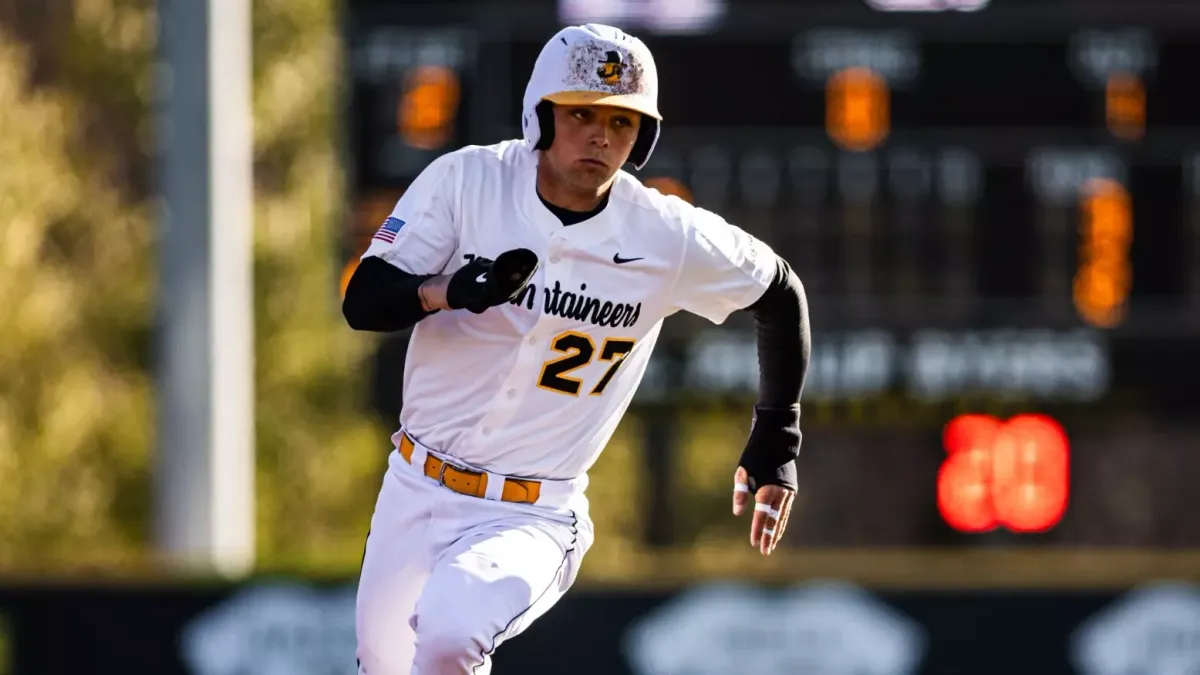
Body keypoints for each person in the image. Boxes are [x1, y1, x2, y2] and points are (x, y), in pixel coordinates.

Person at [341, 22, 812, 675]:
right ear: (542, 114)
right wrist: (449, 290)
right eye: (582, 113)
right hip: (415, 483)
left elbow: (780, 292)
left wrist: (775, 439)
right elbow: (363, 300)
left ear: (642, 136)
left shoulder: (663, 234)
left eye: (622, 121)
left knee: (450, 637)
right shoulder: (467, 181)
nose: (600, 135)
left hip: (531, 513)